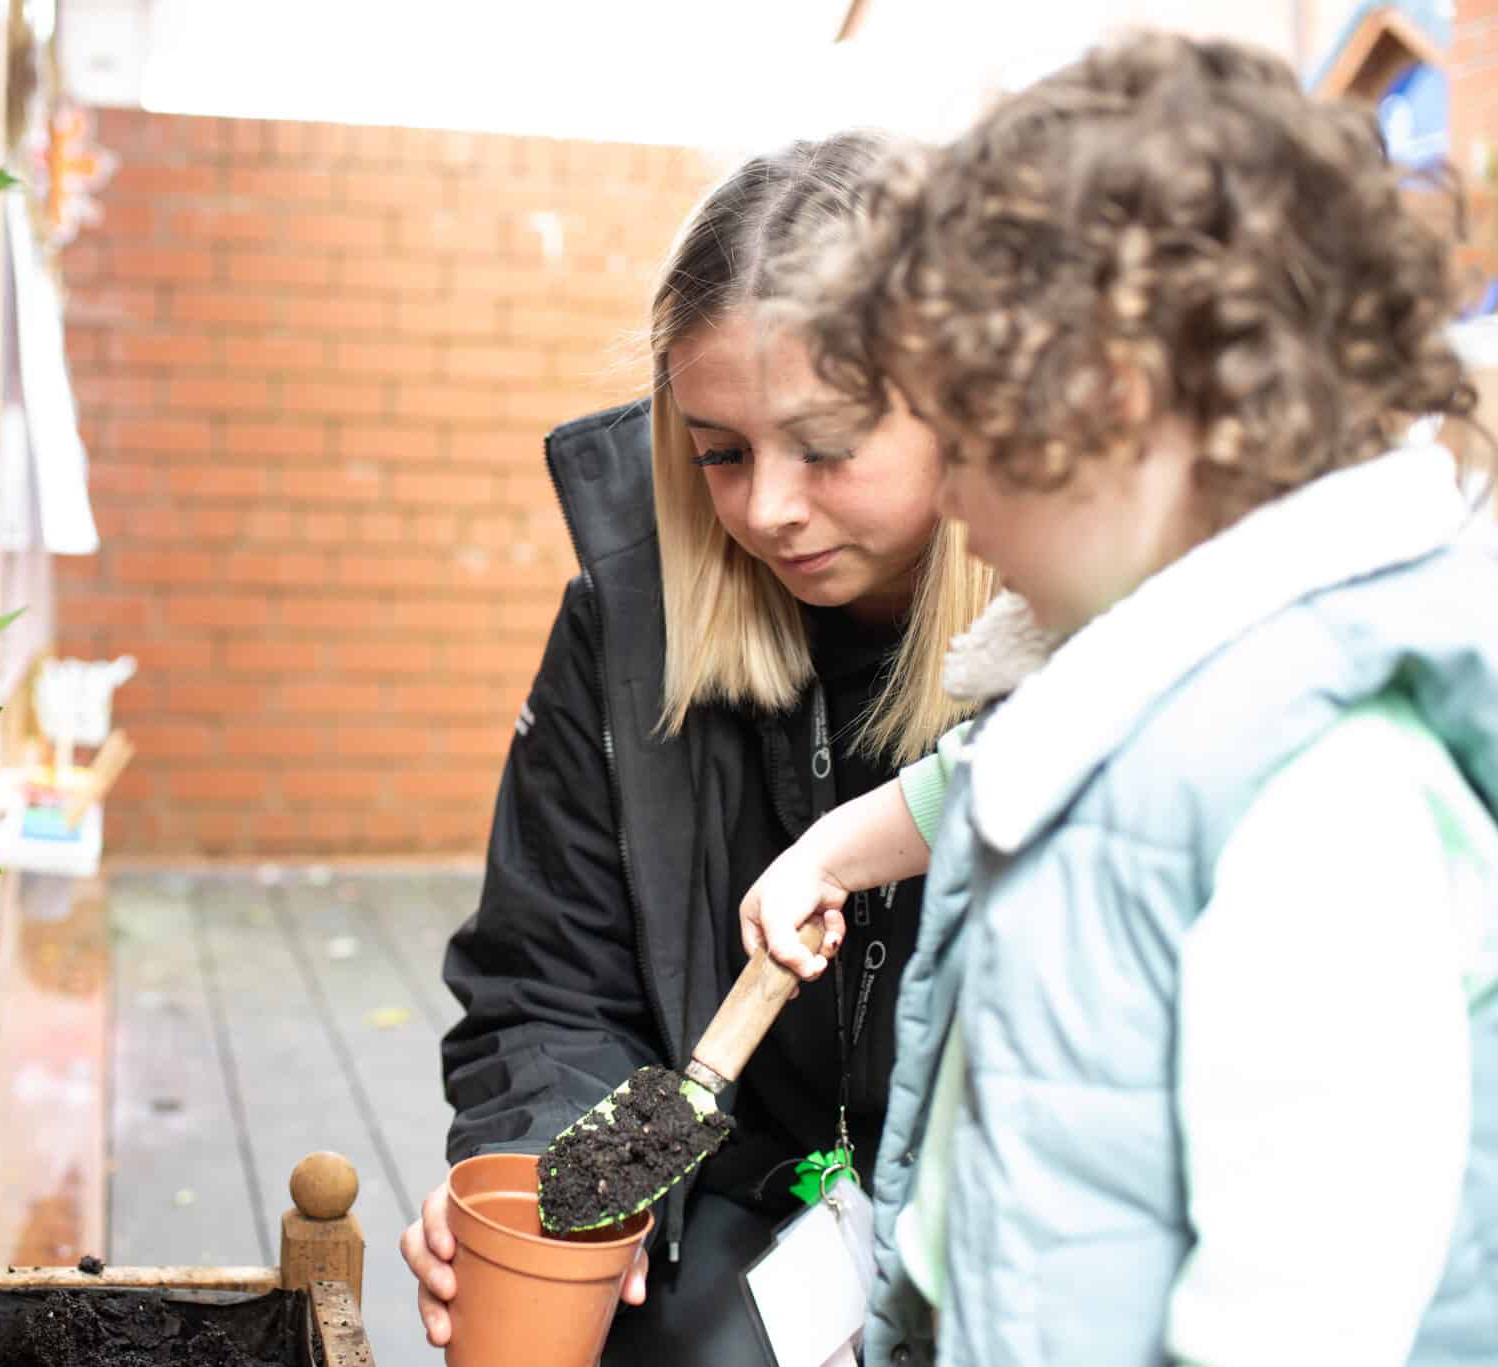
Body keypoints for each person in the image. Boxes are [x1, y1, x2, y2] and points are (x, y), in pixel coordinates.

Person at [746, 31, 1498, 1364]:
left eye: (970, 437)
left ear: (1115, 405)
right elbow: (988, 776)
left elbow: (1298, 1312)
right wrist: (828, 851)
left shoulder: (1319, 793)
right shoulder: (1150, 682)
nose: (951, 498)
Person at [397, 133, 997, 1364]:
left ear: (968, 408)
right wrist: (559, 1185)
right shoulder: (627, 626)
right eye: (718, 450)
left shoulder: (1085, 656)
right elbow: (547, 982)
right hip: (729, 1213)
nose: (766, 507)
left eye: (823, 444)